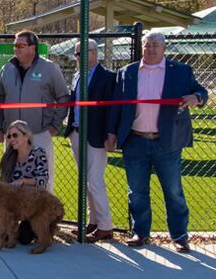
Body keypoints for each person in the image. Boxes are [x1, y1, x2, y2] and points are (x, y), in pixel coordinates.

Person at [107, 32, 207, 253]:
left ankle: (179, 236)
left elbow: (201, 91)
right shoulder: (127, 72)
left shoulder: (180, 71)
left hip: (167, 142)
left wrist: (197, 98)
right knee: (137, 192)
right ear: (142, 47)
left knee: (173, 192)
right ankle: (141, 233)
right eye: (147, 45)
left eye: (155, 45)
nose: (150, 48)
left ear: (164, 48)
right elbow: (116, 105)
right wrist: (111, 133)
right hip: (134, 140)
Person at [0, 30, 68, 192]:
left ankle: (44, 210)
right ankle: (13, 209)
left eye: (20, 45)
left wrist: (54, 126)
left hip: (39, 134)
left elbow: (63, 97)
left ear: (33, 48)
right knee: (9, 180)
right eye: (15, 45)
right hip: (13, 136)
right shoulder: (7, 68)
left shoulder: (49, 68)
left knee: (43, 183)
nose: (16, 49)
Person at [63, 40, 115, 242]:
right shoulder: (77, 76)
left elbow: (112, 109)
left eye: (83, 53)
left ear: (95, 53)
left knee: (95, 180)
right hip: (76, 133)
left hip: (96, 136)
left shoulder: (107, 77)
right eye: (77, 54)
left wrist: (110, 134)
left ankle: (106, 226)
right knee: (86, 181)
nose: (79, 57)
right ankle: (93, 221)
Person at [0, 120, 50, 245]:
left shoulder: (38, 153)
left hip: (34, 204)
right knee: (4, 237)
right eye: (9, 136)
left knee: (24, 239)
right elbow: (3, 184)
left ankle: (44, 225)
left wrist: (23, 181)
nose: (12, 139)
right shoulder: (9, 156)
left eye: (15, 135)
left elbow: (43, 179)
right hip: (16, 204)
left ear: (26, 136)